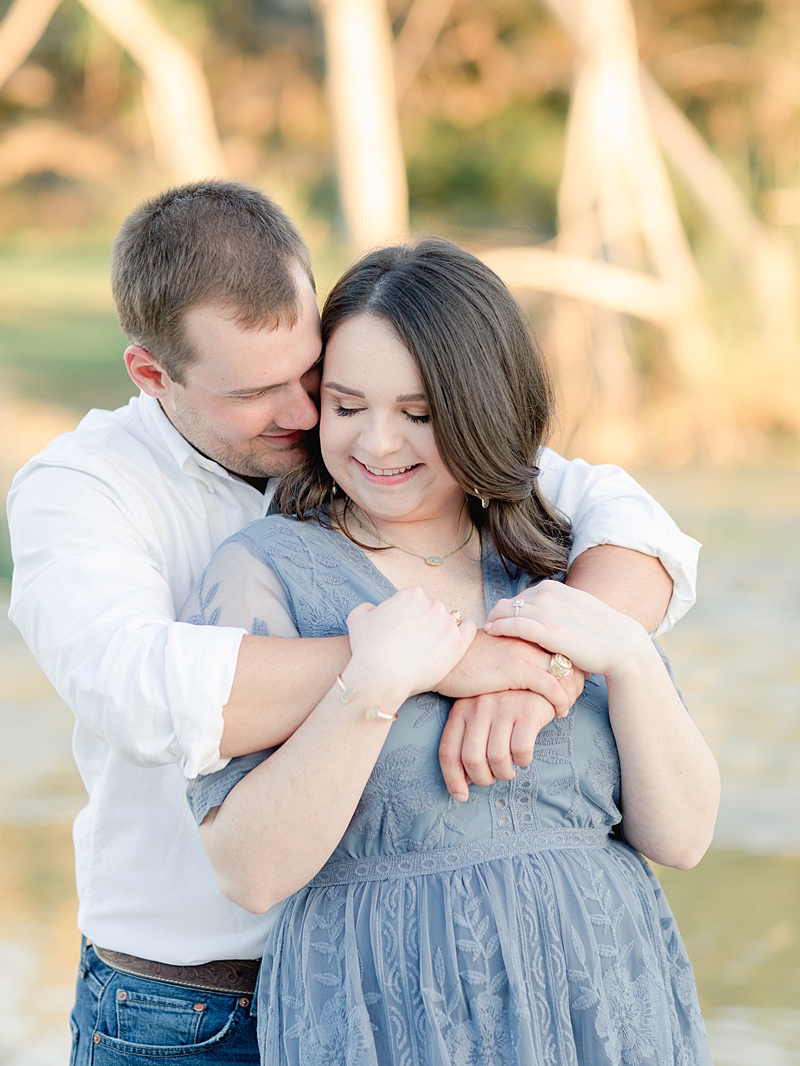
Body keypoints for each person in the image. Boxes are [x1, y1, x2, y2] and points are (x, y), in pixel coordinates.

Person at [7, 182, 698, 1065]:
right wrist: (434, 660)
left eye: (310, 374)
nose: (303, 415)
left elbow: (628, 522)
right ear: (153, 375)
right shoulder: (84, 490)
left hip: (408, 991)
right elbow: (146, 694)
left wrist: (541, 662)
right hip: (191, 1001)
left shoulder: (376, 451)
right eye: (258, 392)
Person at [185, 238, 719, 1066]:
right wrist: (373, 685)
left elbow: (682, 839)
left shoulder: (560, 554)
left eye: (420, 414)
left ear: (479, 407)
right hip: (386, 1014)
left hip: (606, 1007)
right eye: (348, 405)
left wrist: (626, 656)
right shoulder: (262, 571)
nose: (379, 444)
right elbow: (248, 872)